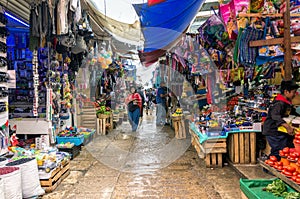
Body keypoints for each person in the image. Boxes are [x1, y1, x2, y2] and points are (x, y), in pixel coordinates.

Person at [263, 80, 299, 160]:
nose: (295, 94)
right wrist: (287, 127)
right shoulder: (279, 103)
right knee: (278, 151)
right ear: (286, 92)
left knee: (283, 149)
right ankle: (269, 166)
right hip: (273, 130)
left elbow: (292, 113)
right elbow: (275, 116)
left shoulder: (286, 102)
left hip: (279, 130)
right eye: (294, 92)